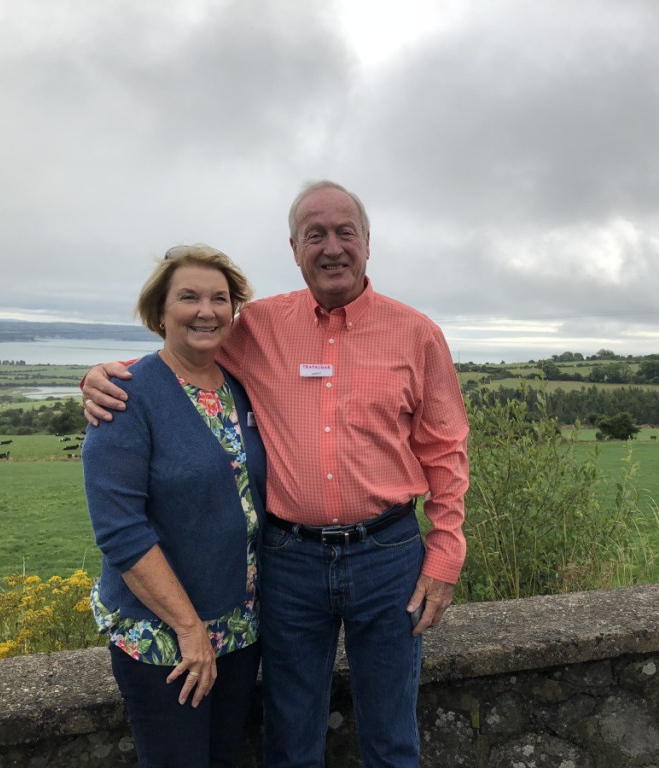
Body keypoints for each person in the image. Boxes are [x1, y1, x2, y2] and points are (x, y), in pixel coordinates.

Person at [83, 181, 470, 767]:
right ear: (294, 247)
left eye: (345, 232)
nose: (332, 246)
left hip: (389, 554)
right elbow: (182, 349)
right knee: (291, 740)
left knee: (392, 738)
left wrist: (445, 555)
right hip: (289, 561)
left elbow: (446, 451)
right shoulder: (256, 327)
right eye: (315, 234)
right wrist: (100, 378)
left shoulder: (417, 334)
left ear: (368, 243)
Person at [82, 244, 267, 768]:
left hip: (238, 629)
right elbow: (121, 533)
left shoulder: (238, 388)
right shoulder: (126, 396)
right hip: (164, 642)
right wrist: (189, 630)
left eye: (219, 298)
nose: (206, 310)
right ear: (159, 312)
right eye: (188, 297)